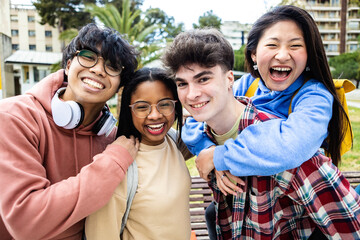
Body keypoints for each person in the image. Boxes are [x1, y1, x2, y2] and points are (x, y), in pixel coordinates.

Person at [162, 24, 360, 238]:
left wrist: (220, 156)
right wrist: (209, 151)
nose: (192, 95)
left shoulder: (280, 143)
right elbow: (193, 124)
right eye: (182, 84)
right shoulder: (212, 125)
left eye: (203, 79)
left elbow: (347, 220)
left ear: (229, 79)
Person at [0, 23, 140, 240]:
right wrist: (113, 161)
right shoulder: (14, 117)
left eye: (112, 66)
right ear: (67, 65)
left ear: (120, 84)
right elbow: (27, 221)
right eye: (87, 56)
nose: (98, 69)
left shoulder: (111, 138)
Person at [85, 67, 192, 240]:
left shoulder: (172, 141)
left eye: (165, 104)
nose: (155, 115)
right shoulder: (119, 164)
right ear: (129, 111)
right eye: (142, 107)